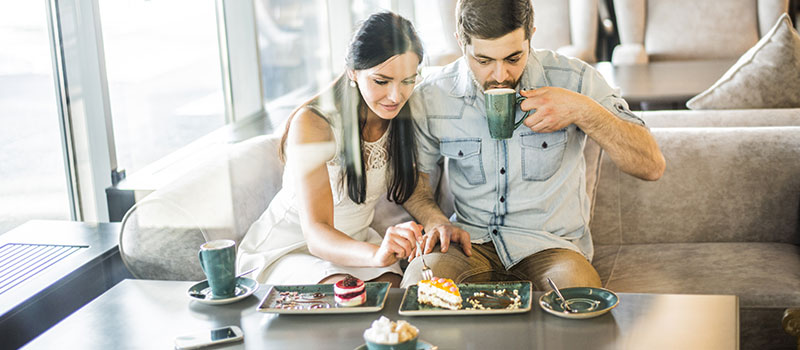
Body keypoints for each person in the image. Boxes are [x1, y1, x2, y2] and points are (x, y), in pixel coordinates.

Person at [399, 0, 665, 290]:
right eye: (484, 60)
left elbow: (651, 166)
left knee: (578, 300)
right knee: (420, 288)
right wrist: (436, 221)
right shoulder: (433, 96)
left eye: (513, 58)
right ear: (461, 42)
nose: (500, 76)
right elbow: (416, 183)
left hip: (551, 248)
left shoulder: (574, 79)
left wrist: (583, 110)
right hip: (469, 245)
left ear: (531, 35)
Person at [237, 11, 425, 288]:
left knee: (393, 297)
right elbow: (316, 233)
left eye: (408, 81)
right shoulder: (313, 124)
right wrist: (377, 255)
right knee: (351, 295)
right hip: (292, 249)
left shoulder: (401, 116)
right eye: (381, 81)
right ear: (353, 71)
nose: (396, 96)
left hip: (355, 245)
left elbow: (413, 188)